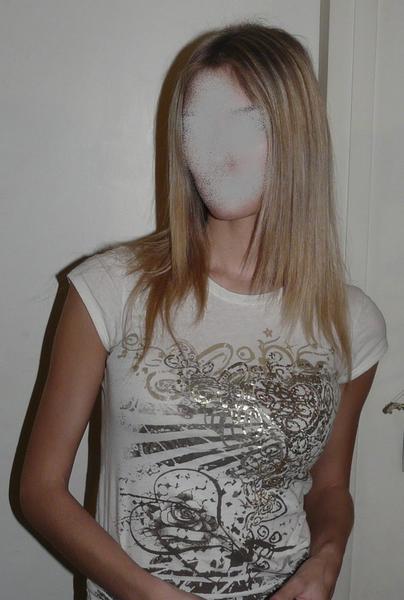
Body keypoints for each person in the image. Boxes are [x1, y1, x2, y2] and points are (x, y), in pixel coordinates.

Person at [19, 21, 388, 600]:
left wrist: (326, 558)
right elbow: (40, 490)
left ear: (295, 137)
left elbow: (328, 488)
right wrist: (146, 593)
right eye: (197, 123)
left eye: (243, 123)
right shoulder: (111, 288)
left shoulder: (351, 320)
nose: (218, 149)